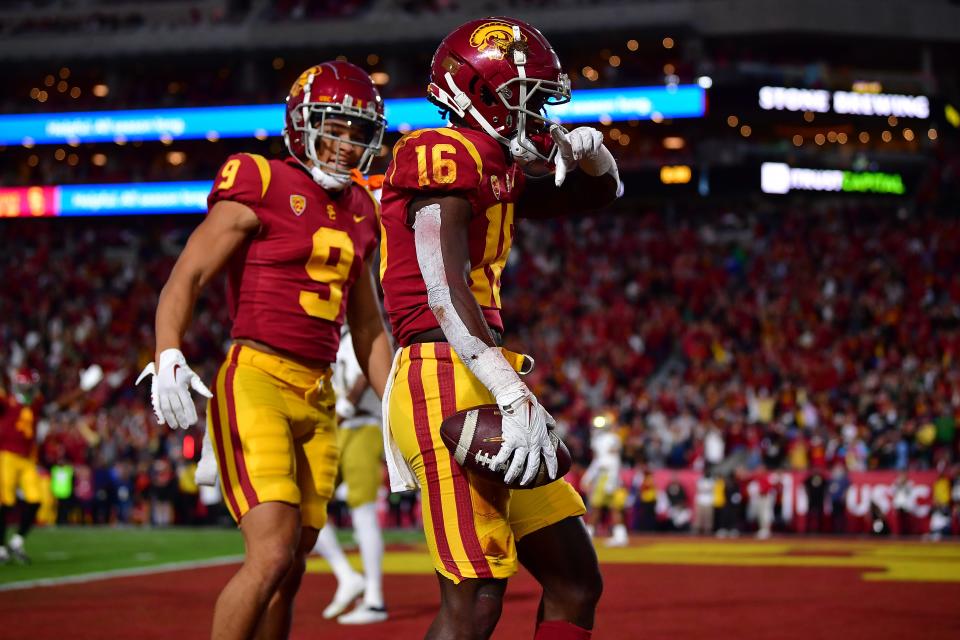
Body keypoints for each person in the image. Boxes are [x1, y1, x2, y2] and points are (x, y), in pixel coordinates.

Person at [379, 17, 621, 639]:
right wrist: (508, 390)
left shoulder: (497, 164)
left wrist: (594, 157)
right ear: (477, 94)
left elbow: (593, 197)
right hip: (442, 371)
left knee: (574, 580)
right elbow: (441, 287)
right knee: (477, 597)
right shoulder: (439, 152)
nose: (539, 113)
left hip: (484, 367)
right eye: (526, 98)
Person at [136, 61, 393, 640]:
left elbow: (370, 325)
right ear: (302, 124)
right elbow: (189, 275)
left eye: (357, 131)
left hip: (320, 393)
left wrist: (401, 407)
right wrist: (168, 350)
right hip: (256, 380)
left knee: (294, 566)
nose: (346, 143)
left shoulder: (361, 210)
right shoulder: (261, 180)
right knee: (272, 553)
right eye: (335, 126)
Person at [314, 326, 388, 625]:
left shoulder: (362, 328)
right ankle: (347, 576)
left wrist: (343, 409)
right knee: (307, 506)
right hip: (337, 428)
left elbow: (364, 374)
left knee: (363, 511)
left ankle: (374, 599)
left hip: (363, 425)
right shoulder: (329, 335)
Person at [0, 368, 44, 564]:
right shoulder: (6, 401)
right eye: (29, 385)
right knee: (5, 503)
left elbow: (57, 404)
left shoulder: (36, 404)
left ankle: (16, 542)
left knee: (36, 499)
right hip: (7, 456)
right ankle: (1, 548)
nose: (32, 389)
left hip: (26, 459)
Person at [582, 413, 628, 546]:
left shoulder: (613, 438)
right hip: (604, 475)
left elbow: (614, 460)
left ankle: (619, 537)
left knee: (607, 507)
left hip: (609, 476)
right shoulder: (597, 440)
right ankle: (617, 536)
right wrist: (588, 477)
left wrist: (611, 480)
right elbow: (597, 461)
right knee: (601, 507)